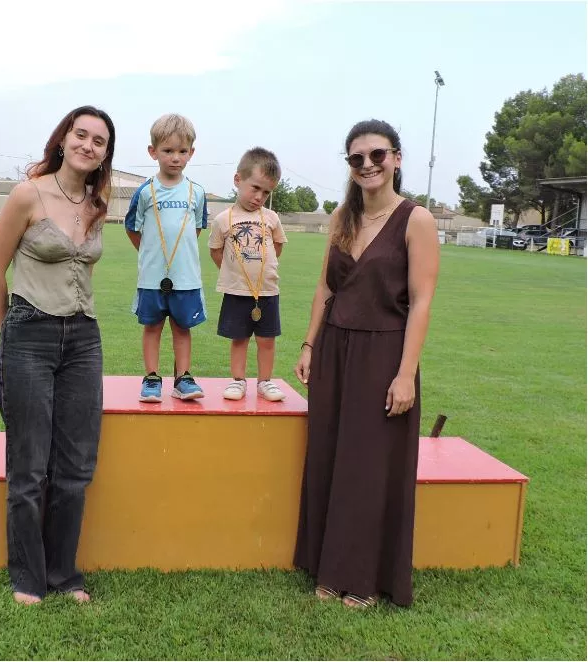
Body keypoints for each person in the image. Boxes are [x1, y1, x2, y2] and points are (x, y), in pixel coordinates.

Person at [293, 119, 440, 608]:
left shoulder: (415, 219)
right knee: (330, 456)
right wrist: (310, 345)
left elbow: (420, 301)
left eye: (377, 155)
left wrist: (404, 374)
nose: (368, 165)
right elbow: (325, 288)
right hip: (334, 350)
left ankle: (361, 576)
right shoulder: (342, 217)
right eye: (357, 158)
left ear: (396, 157)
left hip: (383, 354)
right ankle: (327, 566)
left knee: (370, 466)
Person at [0, 105, 115, 605]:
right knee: (30, 466)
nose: (88, 145)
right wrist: (11, 335)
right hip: (29, 332)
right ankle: (27, 578)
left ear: (105, 153)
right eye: (80, 135)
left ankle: (64, 574)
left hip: (84, 338)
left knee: (76, 466)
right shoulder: (28, 195)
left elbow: (84, 269)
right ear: (63, 140)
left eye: (99, 140)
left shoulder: (97, 201)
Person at [124, 113, 208, 402]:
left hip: (185, 277)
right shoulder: (145, 191)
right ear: (153, 152)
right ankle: (151, 378)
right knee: (152, 326)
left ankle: (183, 378)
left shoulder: (196, 192)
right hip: (152, 277)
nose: (175, 158)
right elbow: (132, 229)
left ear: (191, 153)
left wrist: (175, 259)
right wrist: (152, 255)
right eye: (168, 151)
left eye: (182, 151)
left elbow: (195, 230)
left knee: (183, 328)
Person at [208, 147, 288, 401]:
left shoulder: (272, 218)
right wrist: (235, 273)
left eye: (266, 192)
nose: (259, 197)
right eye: (255, 188)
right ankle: (238, 380)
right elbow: (216, 251)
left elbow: (277, 247)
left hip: (267, 291)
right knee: (239, 339)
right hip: (237, 291)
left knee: (267, 340)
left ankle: (265, 381)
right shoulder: (223, 219)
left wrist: (262, 270)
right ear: (238, 180)